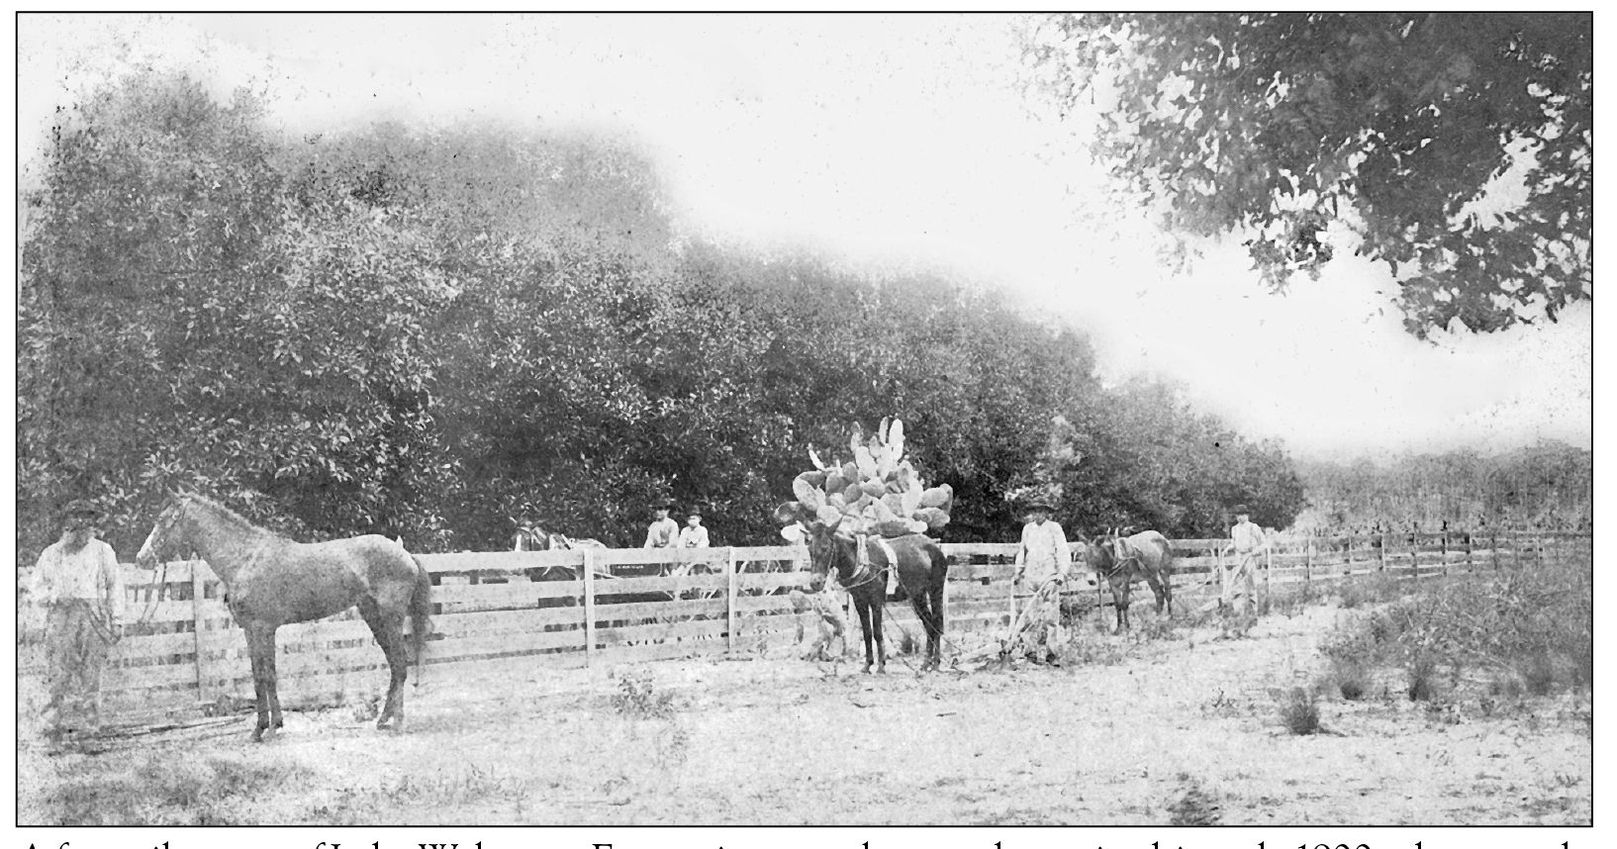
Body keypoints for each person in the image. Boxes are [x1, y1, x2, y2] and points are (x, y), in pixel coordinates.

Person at [29, 499, 126, 742]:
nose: (81, 525)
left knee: (91, 676)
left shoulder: (103, 552)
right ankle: (51, 729)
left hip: (93, 617)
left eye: (87, 520)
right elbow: (36, 590)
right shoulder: (52, 554)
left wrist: (117, 620)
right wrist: (54, 597)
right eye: (76, 519)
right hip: (61, 616)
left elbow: (115, 588)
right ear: (67, 524)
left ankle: (89, 731)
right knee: (58, 674)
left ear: (93, 524)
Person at [1011, 500, 1071, 665]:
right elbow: (1022, 551)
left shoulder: (1054, 528)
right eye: (1035, 512)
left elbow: (1063, 551)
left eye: (1041, 512)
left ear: (1047, 513)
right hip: (1031, 576)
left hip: (1048, 576)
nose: (1037, 515)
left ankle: (1052, 654)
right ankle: (1030, 652)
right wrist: (1018, 571)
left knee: (1051, 617)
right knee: (1030, 616)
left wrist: (1061, 573)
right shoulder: (1027, 529)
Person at [1223, 504, 1267, 615]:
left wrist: (1256, 551)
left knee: (1250, 585)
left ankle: (1254, 611)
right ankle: (1239, 612)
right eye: (1238, 515)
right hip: (1238, 558)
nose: (1240, 517)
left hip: (1250, 558)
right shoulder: (1235, 529)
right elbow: (1234, 542)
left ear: (1247, 515)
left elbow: (1264, 543)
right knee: (1236, 585)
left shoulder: (1253, 527)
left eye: (1242, 515)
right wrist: (1228, 548)